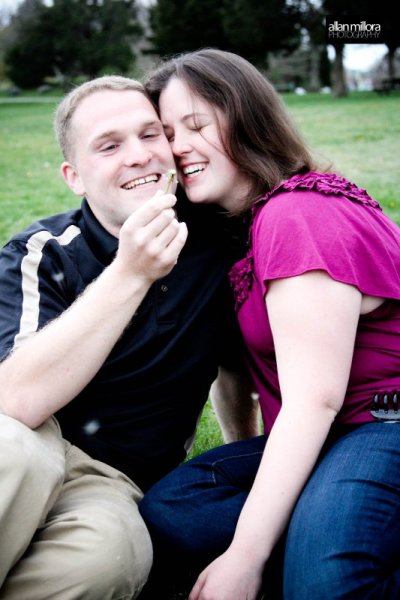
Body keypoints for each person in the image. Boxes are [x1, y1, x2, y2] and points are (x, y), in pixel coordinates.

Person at [139, 49, 400, 600]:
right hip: (335, 436)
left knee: (328, 583)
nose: (177, 147)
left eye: (196, 125)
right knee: (174, 513)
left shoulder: (297, 214)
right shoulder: (241, 232)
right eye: (168, 133)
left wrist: (245, 556)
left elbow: (314, 401)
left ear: (248, 119)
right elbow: (236, 375)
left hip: (384, 422)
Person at [0, 75, 259, 599]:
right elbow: (14, 401)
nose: (139, 156)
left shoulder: (215, 247)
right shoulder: (43, 253)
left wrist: (239, 464)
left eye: (150, 135)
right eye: (110, 145)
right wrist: (130, 272)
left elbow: (233, 367)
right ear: (74, 176)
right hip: (31, 441)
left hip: (110, 481)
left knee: (111, 558)